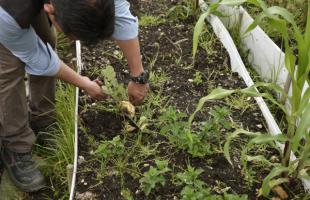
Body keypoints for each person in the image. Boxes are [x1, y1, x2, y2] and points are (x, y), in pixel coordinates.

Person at [0, 0, 149, 192]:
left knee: (45, 37)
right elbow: (37, 57)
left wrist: (138, 76)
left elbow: (121, 15)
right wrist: (84, 83)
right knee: (8, 70)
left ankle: (43, 119)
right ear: (50, 9)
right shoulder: (8, 14)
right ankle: (15, 145)